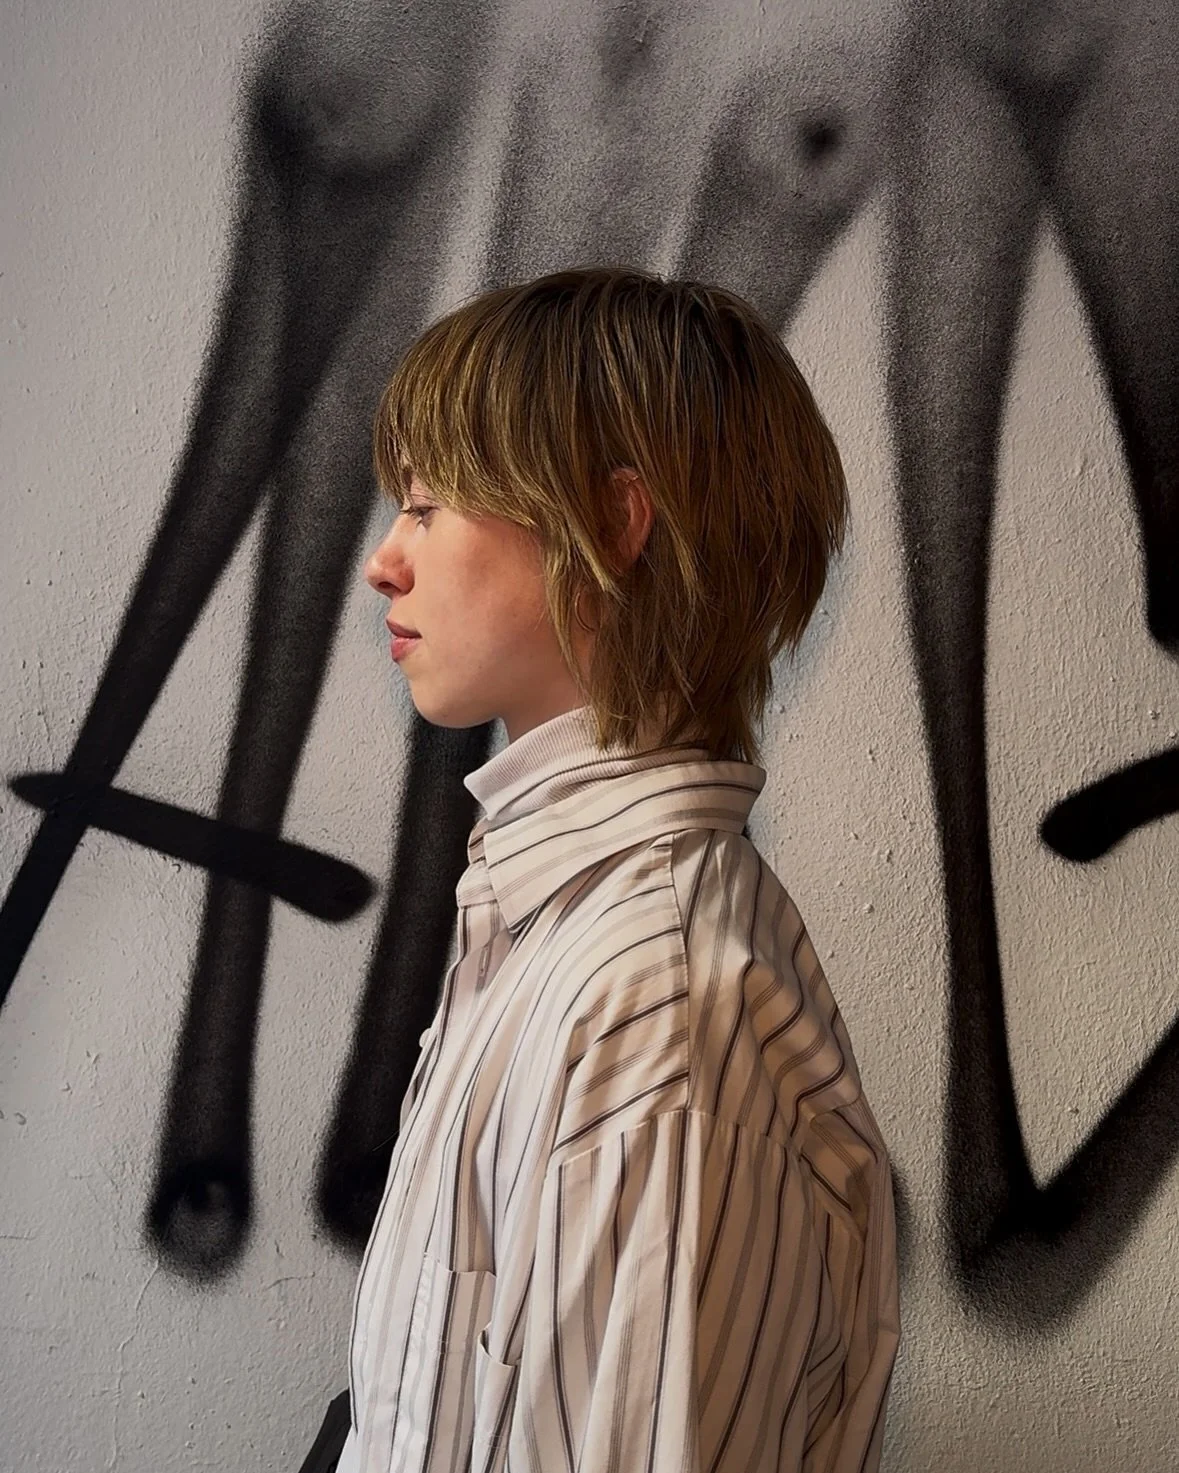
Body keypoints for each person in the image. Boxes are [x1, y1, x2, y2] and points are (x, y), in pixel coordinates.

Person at [338, 266, 899, 1473]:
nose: (386, 561)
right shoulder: (552, 931)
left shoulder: (652, 1001)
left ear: (613, 525)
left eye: (431, 506)